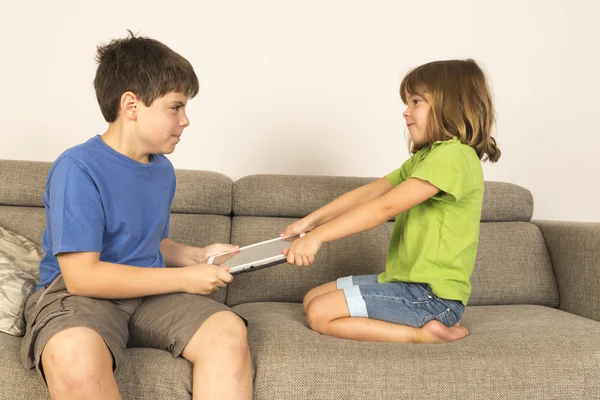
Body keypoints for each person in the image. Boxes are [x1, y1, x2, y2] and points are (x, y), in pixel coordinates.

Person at [20, 32, 252, 400]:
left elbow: (147, 241)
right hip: (81, 297)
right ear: (131, 106)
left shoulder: (161, 170)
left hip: (147, 295)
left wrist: (198, 255)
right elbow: (82, 277)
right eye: (175, 107)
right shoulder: (77, 168)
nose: (186, 119)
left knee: (226, 329)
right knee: (73, 353)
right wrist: (185, 279)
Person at [282, 59, 501, 344]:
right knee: (312, 298)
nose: (406, 112)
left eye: (416, 102)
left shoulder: (454, 157)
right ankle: (428, 321)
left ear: (449, 105)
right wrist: (310, 222)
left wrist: (318, 237)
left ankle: (422, 334)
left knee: (320, 314)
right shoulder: (427, 156)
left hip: (431, 295)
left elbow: (384, 207)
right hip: (404, 283)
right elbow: (371, 193)